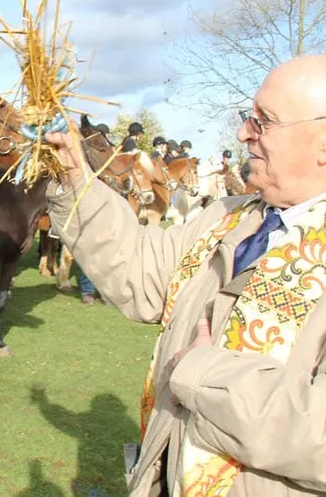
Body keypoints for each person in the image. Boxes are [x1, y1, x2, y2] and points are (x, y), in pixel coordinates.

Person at [43, 54, 326, 495]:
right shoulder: (231, 217)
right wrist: (75, 178)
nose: (242, 132)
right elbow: (140, 269)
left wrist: (204, 374)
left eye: (264, 122)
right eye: (247, 117)